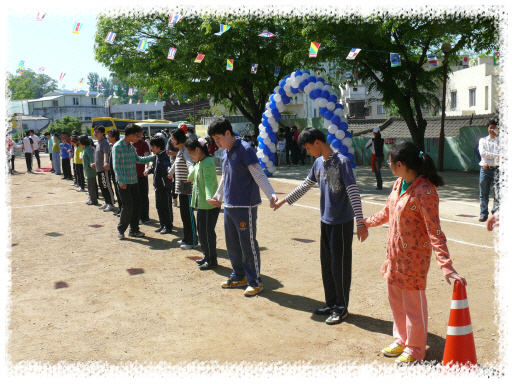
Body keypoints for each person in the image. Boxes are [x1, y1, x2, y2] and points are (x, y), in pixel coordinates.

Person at [363, 140, 467, 365]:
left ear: (400, 164)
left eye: (390, 162)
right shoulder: (399, 183)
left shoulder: (426, 191)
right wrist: (367, 222)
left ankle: (416, 348)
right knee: (395, 301)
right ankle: (401, 339)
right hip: (394, 257)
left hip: (414, 262)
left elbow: (434, 231)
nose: (389, 166)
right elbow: (388, 210)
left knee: (413, 306)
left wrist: (446, 266)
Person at [273, 128, 368, 323]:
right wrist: (285, 201)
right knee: (327, 265)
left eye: (308, 147)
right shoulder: (318, 163)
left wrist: (360, 222)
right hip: (326, 221)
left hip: (341, 222)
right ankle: (332, 303)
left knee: (339, 266)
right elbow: (305, 185)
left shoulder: (341, 162)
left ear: (318, 142)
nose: (308, 152)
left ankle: (342, 307)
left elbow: (353, 192)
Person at [207, 117, 277, 296]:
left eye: (218, 138)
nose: (216, 143)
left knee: (248, 244)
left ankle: (255, 281)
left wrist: (271, 195)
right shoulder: (225, 152)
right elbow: (225, 177)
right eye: (214, 139)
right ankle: (239, 275)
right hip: (229, 206)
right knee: (232, 244)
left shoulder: (245, 150)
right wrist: (218, 196)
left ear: (228, 133)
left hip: (245, 206)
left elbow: (259, 175)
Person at [112, 124, 155, 239]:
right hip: (124, 183)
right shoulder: (117, 147)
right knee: (128, 207)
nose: (139, 137)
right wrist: (121, 182)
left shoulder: (131, 147)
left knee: (137, 206)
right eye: (137, 135)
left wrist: (153, 157)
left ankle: (134, 230)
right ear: (131, 135)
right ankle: (121, 229)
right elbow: (116, 167)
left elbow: (138, 160)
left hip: (134, 181)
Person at [185, 138, 220, 270]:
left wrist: (210, 198)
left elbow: (209, 183)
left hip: (210, 205)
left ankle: (212, 259)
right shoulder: (199, 162)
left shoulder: (208, 163)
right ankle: (206, 256)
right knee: (202, 232)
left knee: (208, 232)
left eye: (191, 153)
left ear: (198, 150)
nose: (190, 156)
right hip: (202, 204)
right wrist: (189, 176)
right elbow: (191, 176)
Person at [168, 128, 198, 249]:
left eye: (173, 138)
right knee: (184, 214)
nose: (171, 140)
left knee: (189, 214)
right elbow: (175, 164)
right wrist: (170, 173)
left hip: (188, 188)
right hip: (181, 187)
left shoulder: (186, 151)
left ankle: (193, 241)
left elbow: (190, 164)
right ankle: (186, 238)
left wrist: (191, 176)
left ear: (179, 139)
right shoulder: (180, 151)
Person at [145, 136, 174, 235]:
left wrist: (169, 172)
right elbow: (154, 168)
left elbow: (167, 165)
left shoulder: (164, 156)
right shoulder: (157, 156)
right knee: (159, 206)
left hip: (165, 187)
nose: (151, 149)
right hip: (158, 186)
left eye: (153, 146)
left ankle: (168, 226)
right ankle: (162, 224)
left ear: (159, 147)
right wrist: (148, 171)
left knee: (166, 207)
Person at [478, 119, 500, 222]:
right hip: (485, 170)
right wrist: (497, 157)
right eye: (490, 127)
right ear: (488, 128)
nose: (492, 130)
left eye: (494, 128)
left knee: (497, 194)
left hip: (498, 170)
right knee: (484, 193)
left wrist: (489, 159)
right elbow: (483, 154)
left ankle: (495, 215)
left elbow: (504, 155)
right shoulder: (483, 140)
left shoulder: (502, 142)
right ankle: (483, 214)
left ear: (498, 129)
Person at [93, 126, 116, 212]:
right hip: (98, 169)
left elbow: (106, 153)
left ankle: (111, 203)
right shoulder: (98, 143)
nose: (95, 133)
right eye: (95, 132)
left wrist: (105, 162)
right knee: (102, 186)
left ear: (103, 133)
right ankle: (106, 202)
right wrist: (94, 163)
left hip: (104, 169)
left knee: (106, 185)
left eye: (98, 132)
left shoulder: (104, 142)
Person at [132, 130, 152, 224]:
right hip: (132, 175)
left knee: (143, 196)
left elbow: (146, 157)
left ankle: (144, 217)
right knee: (135, 196)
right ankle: (137, 215)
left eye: (140, 133)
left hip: (141, 174)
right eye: (137, 134)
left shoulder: (144, 144)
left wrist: (146, 168)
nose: (139, 135)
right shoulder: (130, 144)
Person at [107, 129, 123, 217]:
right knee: (117, 191)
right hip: (113, 172)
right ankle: (120, 208)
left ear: (114, 136)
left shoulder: (118, 146)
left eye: (109, 136)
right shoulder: (111, 146)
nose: (108, 138)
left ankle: (123, 210)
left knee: (120, 192)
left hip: (118, 173)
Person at [80, 135, 98, 205]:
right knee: (89, 185)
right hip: (87, 170)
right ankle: (92, 199)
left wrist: (91, 163)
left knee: (91, 186)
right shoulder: (86, 148)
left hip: (90, 170)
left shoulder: (88, 148)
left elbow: (91, 157)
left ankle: (93, 200)